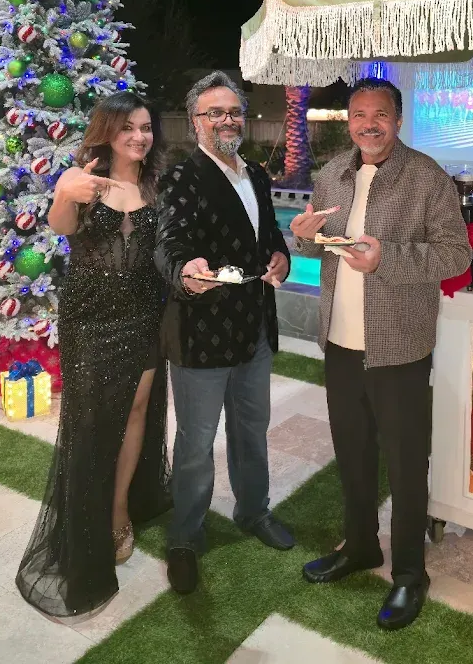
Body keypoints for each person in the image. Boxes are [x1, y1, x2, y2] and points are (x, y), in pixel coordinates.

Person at [291, 77, 471, 631]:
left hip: (398, 346)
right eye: (359, 115)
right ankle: (361, 546)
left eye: (380, 114)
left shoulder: (426, 178)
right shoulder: (329, 175)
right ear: (348, 122)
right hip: (340, 342)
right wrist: (301, 237)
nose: (369, 124)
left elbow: (455, 253)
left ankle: (410, 574)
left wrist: (385, 258)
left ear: (398, 119)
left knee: (405, 462)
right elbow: (316, 245)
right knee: (353, 454)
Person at [16, 93, 171, 617]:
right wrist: (64, 190)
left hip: (145, 315)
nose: (139, 136)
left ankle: (119, 510)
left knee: (133, 414)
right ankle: (84, 523)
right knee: (89, 425)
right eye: (128, 127)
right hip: (91, 320)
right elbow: (60, 228)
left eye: (146, 127)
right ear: (108, 131)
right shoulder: (84, 176)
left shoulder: (157, 183)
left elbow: (166, 249)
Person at [155, 71, 293, 596]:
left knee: (252, 428)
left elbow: (269, 234)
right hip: (202, 332)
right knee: (195, 444)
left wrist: (279, 255)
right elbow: (168, 243)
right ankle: (185, 538)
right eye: (215, 112)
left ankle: (252, 511)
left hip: (255, 327)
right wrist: (183, 272)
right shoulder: (183, 177)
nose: (228, 119)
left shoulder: (255, 173)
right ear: (196, 124)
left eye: (234, 110)